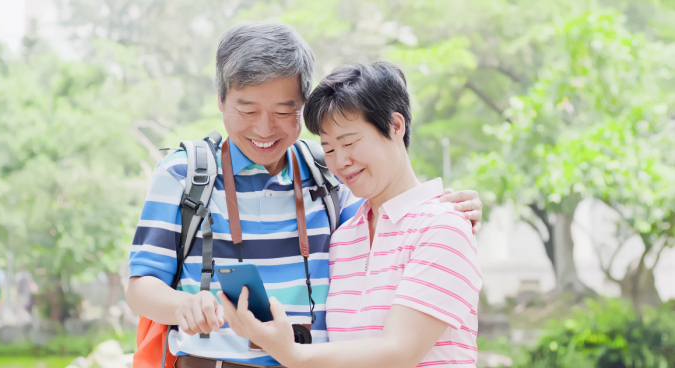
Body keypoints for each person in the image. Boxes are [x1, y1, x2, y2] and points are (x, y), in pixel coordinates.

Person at [126, 21, 483, 368]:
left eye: (284, 111)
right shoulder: (185, 173)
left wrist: (449, 212)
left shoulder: (328, 175)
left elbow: (387, 220)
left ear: (303, 105)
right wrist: (184, 305)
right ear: (221, 99)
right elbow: (141, 287)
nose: (265, 129)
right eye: (248, 110)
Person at [219, 61, 482, 368]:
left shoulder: (443, 226)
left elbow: (399, 352)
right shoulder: (343, 236)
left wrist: (290, 352)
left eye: (349, 142)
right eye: (328, 149)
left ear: (396, 126)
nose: (341, 161)